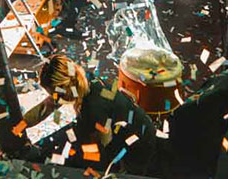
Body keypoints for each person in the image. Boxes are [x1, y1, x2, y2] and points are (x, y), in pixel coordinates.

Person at [23, 54, 158, 176]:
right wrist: (20, 124)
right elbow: (46, 107)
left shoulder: (94, 108)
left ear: (64, 91)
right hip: (117, 126)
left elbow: (106, 149)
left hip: (136, 144)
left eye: (54, 94)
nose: (53, 99)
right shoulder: (80, 79)